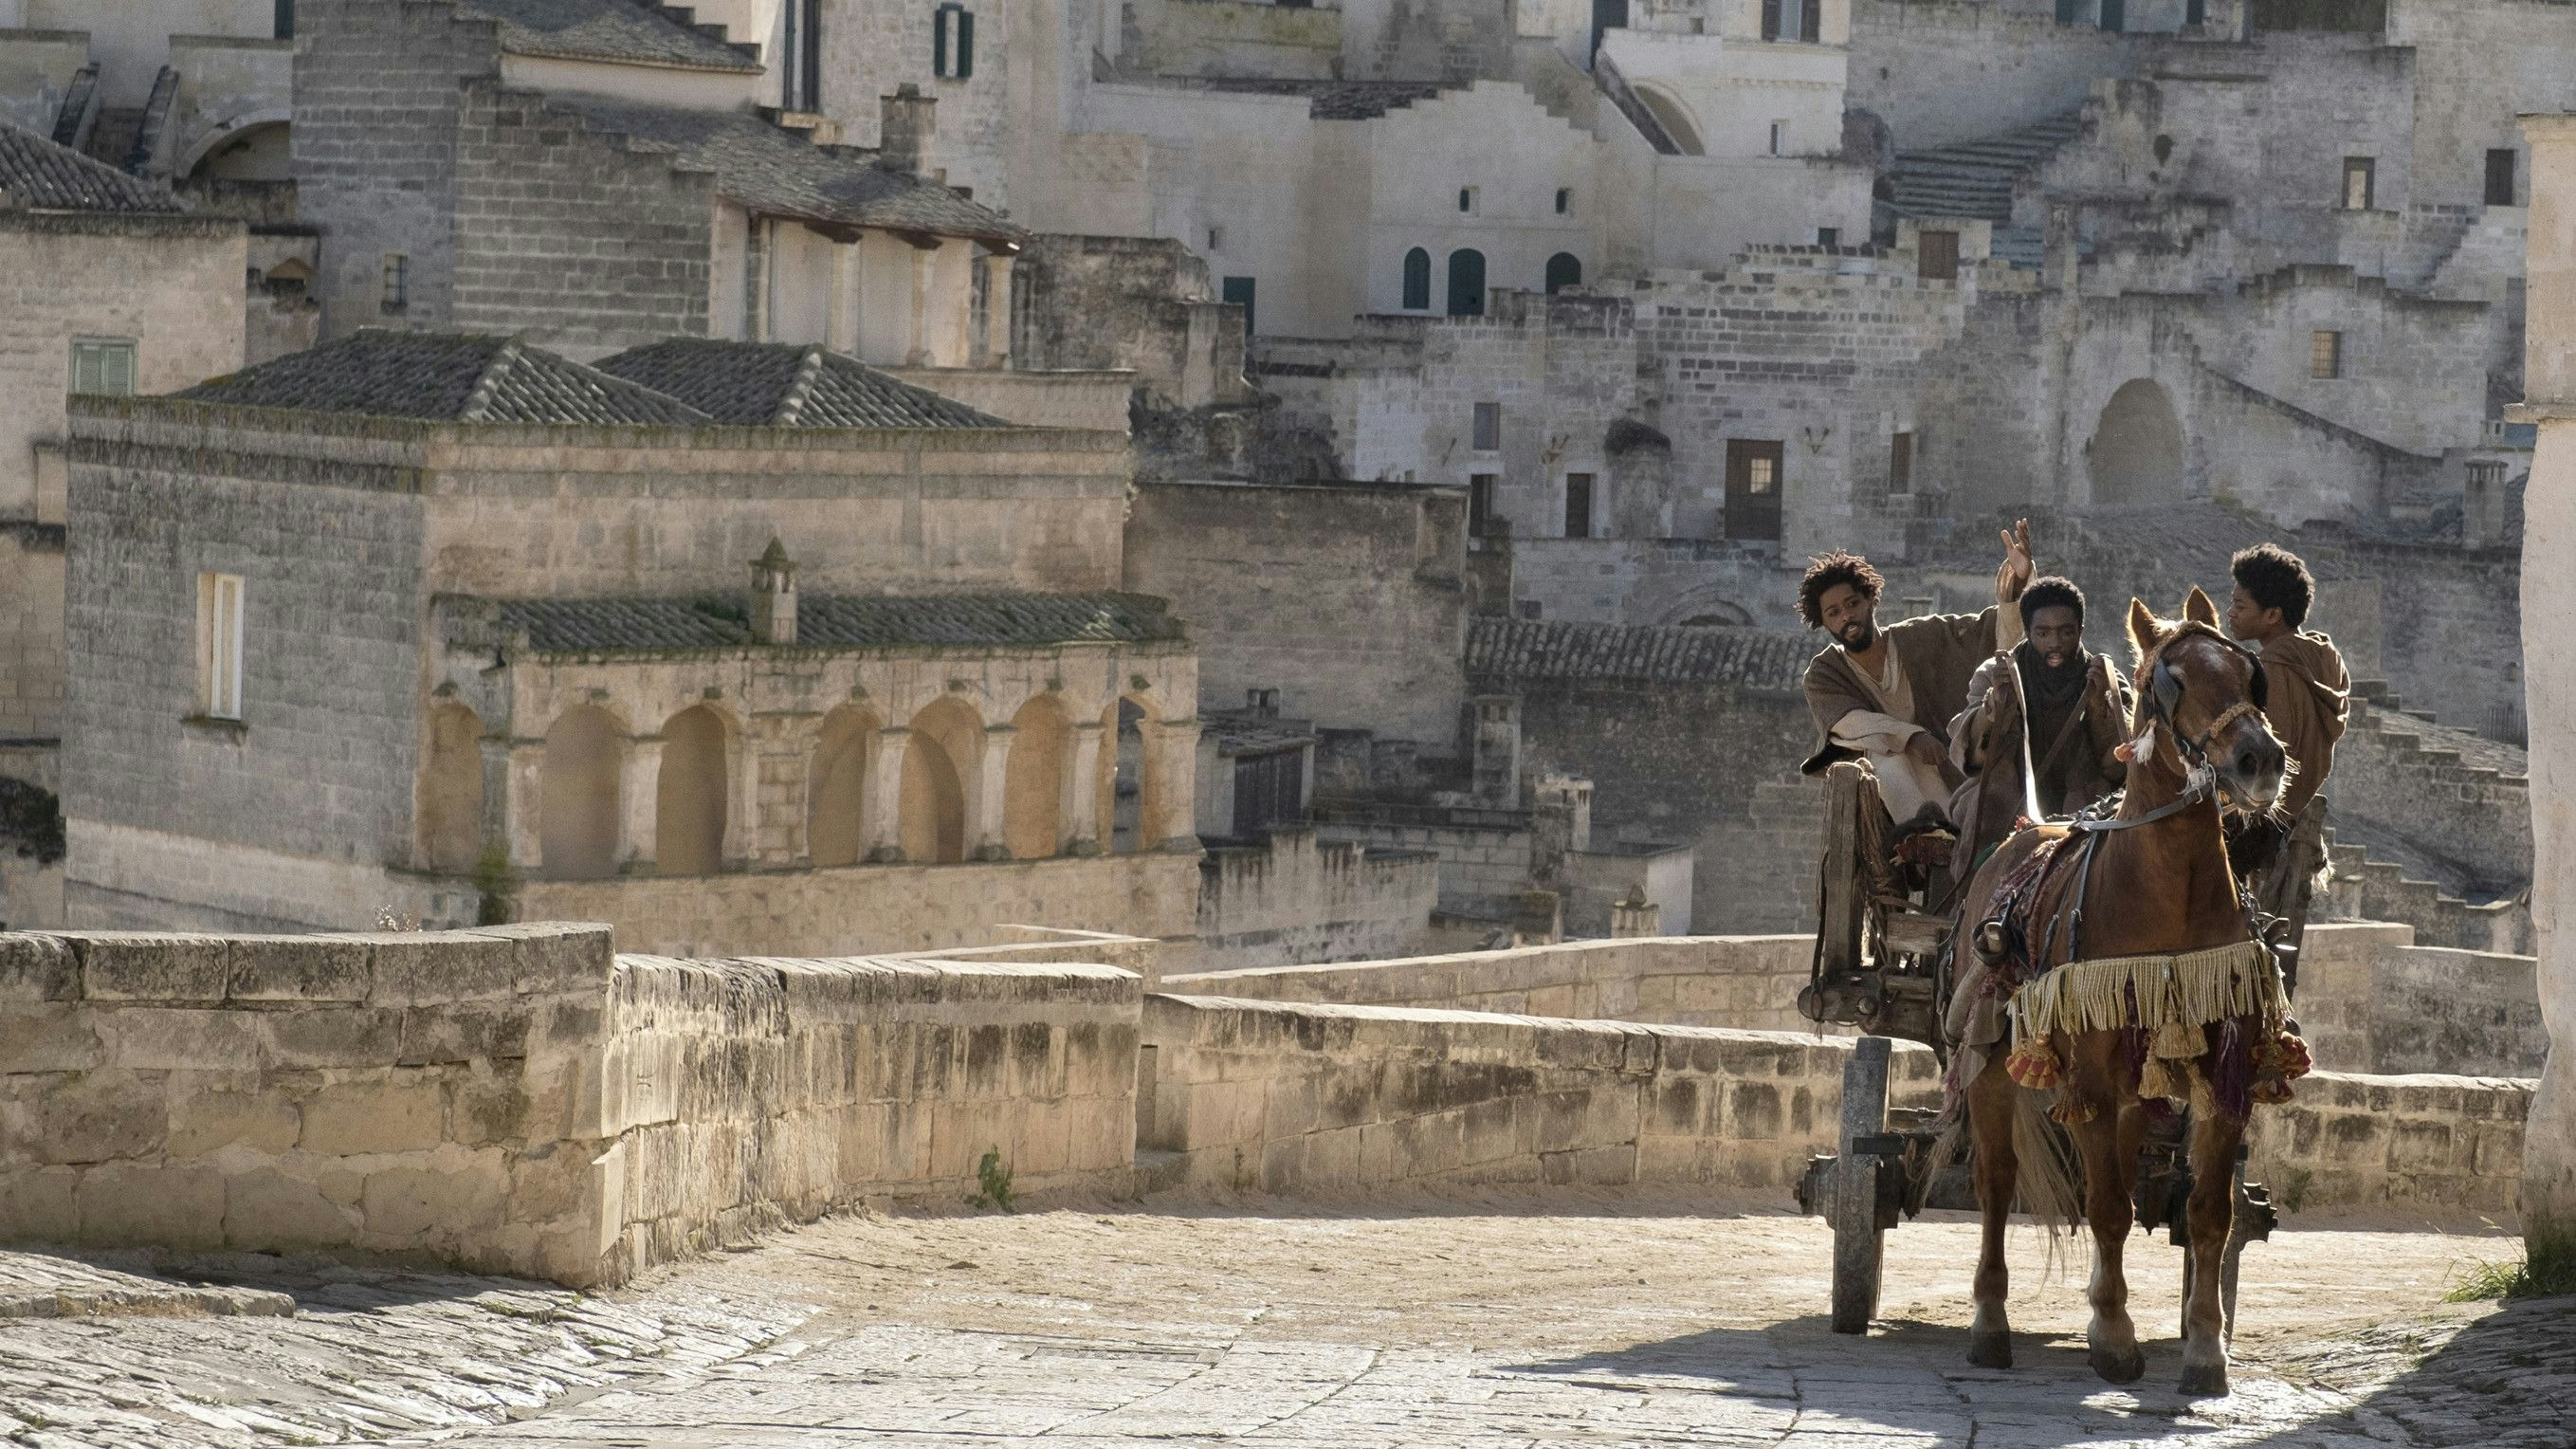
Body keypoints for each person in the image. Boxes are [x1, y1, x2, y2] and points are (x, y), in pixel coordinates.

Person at [1799, 521, 2036, 832]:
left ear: (1871, 600)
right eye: (1833, 613)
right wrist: (1912, 737)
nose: (1846, 616)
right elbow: (1851, 723)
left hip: (1952, 775)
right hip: (1885, 800)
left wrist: (2018, 583)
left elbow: (1990, 634)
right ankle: (1925, 840)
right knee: (1888, 757)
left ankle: (1950, 840)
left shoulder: (1924, 637)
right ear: (1825, 622)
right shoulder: (1824, 674)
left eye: (1852, 604)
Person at [1945, 575, 2131, 881]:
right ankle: (1971, 910)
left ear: (2080, 631)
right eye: (2043, 633)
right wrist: (1994, 708)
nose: (2055, 643)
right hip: (2008, 797)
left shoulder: (2105, 680)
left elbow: (2119, 769)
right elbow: (1970, 758)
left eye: (2065, 632)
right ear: (2029, 632)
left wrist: (2101, 709)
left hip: (2082, 799)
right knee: (1986, 808)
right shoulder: (1996, 674)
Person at [2227, 543, 2350, 978]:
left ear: (2272, 615)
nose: (2230, 613)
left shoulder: (2269, 673)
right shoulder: (2318, 663)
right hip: (2287, 827)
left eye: (2240, 605)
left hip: (2257, 834)